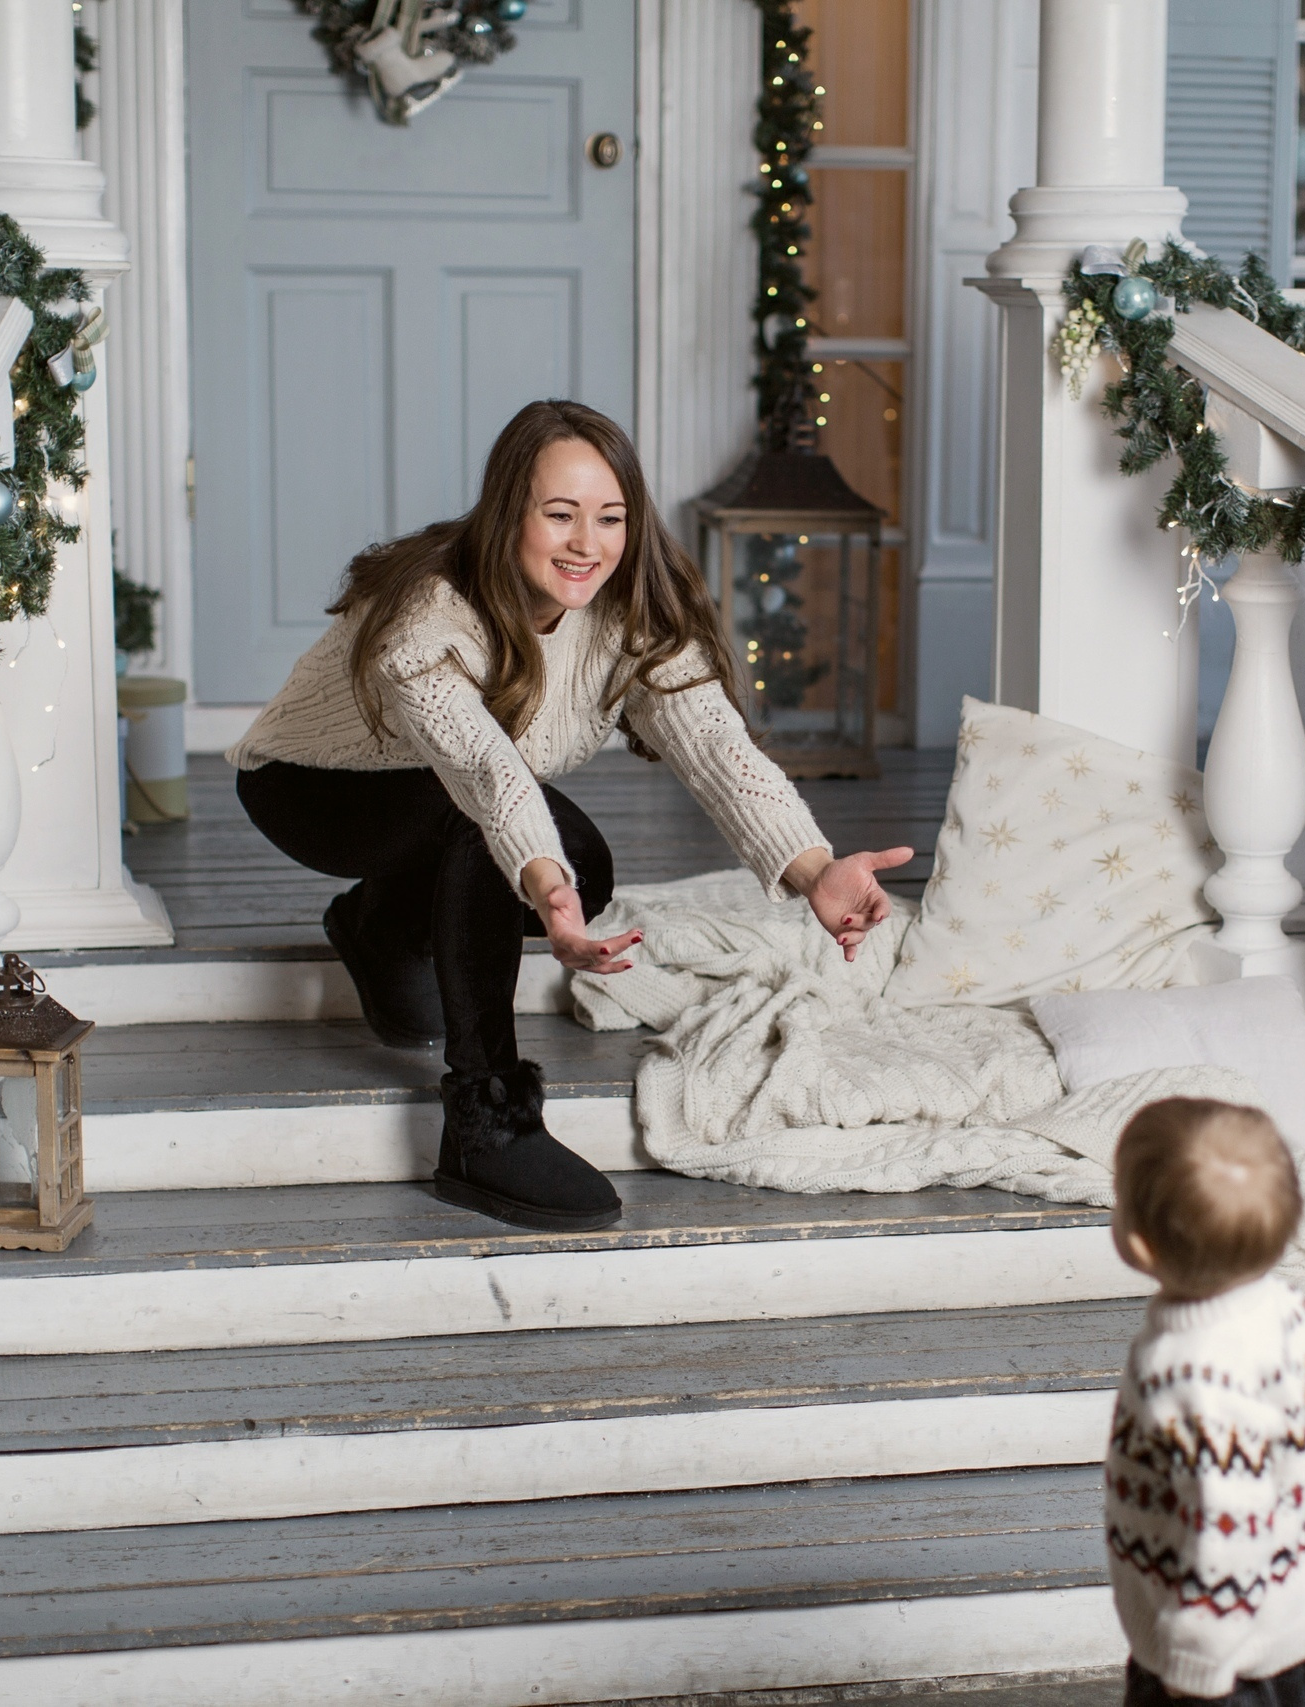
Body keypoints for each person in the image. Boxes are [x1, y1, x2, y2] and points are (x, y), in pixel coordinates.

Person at [228, 399, 912, 1234]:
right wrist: (546, 895)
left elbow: (715, 746)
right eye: (560, 515)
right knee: (499, 834)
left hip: (448, 795)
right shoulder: (430, 612)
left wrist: (814, 867)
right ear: (509, 509)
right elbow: (486, 775)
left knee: (581, 856)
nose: (588, 543)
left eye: (610, 517)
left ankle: (381, 931)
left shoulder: (628, 614)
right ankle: (483, 1122)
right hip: (314, 788)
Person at [1105, 1098, 1305, 1707]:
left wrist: (1195, 1664)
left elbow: (1225, 1528)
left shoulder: (1192, 1377)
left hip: (1220, 1654)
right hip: (1290, 1604)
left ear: (1140, 1245)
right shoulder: (1292, 1312)